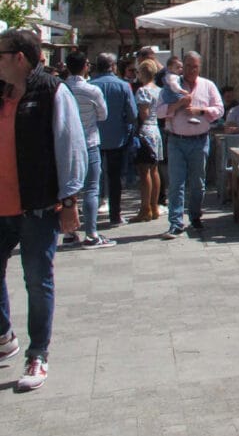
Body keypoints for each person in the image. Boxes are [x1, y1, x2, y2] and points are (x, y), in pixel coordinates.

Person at [0, 28, 89, 392]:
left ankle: (38, 353)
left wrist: (69, 201)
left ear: (18, 58)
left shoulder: (53, 92)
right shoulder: (1, 93)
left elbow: (71, 148)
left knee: (37, 281)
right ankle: (5, 335)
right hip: (2, 205)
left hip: (37, 206)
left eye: (0, 55)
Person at [157, 51, 224, 239]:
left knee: (198, 183)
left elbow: (219, 109)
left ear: (199, 67)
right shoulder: (172, 85)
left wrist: (201, 111)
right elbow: (159, 111)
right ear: (182, 66)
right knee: (177, 183)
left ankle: (195, 216)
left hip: (200, 140)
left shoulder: (208, 86)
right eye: (187, 66)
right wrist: (178, 105)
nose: (191, 70)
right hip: (177, 140)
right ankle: (176, 223)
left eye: (194, 67)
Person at [62, 52, 112, 248]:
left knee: (69, 188)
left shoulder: (61, 88)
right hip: (89, 142)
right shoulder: (92, 90)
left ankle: (69, 232)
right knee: (92, 188)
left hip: (66, 144)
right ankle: (91, 234)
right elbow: (103, 115)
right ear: (85, 66)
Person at [89, 53, 135, 228]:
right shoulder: (123, 86)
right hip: (118, 138)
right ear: (113, 66)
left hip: (94, 138)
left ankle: (93, 212)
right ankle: (115, 215)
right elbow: (133, 114)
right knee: (115, 177)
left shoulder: (90, 86)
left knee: (94, 178)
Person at [131, 60, 163, 222]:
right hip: (156, 129)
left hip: (146, 130)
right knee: (154, 169)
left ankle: (146, 208)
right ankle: (154, 205)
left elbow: (143, 113)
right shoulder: (160, 91)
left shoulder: (143, 91)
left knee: (144, 171)